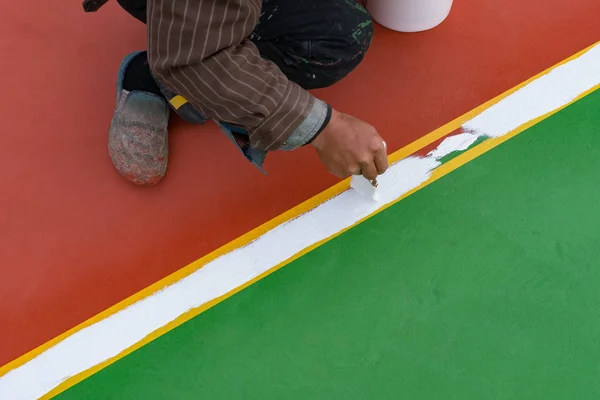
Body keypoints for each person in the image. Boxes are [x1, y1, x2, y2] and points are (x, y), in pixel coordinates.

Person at [83, 0, 388, 185]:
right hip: (190, 30)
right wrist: (324, 128)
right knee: (339, 38)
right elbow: (199, 58)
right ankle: (161, 77)